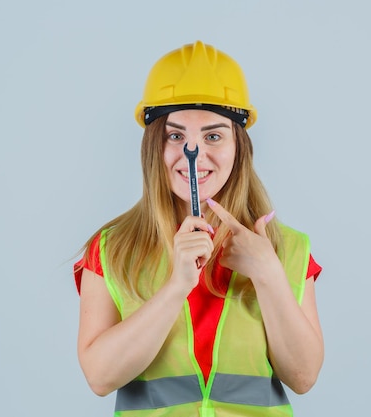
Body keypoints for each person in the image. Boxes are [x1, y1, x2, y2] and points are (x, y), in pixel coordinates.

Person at [73, 40, 324, 417]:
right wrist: (176, 287)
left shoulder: (287, 249)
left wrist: (268, 273)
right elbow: (99, 377)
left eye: (213, 136)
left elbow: (303, 377)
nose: (195, 153)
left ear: (238, 146)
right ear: (152, 147)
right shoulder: (111, 249)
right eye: (175, 136)